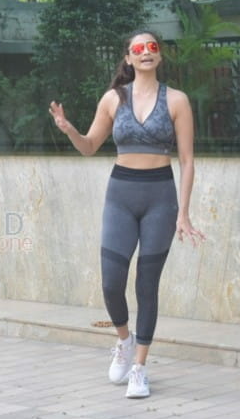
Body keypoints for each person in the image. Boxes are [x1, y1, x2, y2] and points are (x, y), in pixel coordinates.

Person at [48, 29, 205, 399]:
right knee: (110, 281)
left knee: (147, 285)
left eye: (152, 47)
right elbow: (89, 147)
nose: (146, 52)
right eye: (139, 48)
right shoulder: (113, 99)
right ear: (129, 58)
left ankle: (139, 368)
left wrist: (184, 213)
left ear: (159, 56)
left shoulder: (177, 101)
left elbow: (186, 161)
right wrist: (69, 128)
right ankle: (123, 339)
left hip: (160, 197)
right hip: (120, 194)